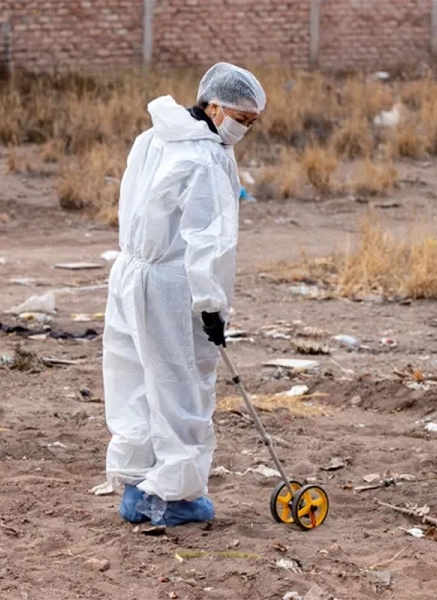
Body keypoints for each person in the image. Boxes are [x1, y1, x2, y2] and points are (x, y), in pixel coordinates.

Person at [102, 63, 265, 527]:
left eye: (251, 123)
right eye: (240, 117)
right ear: (213, 105)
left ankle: (138, 487)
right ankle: (173, 497)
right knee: (182, 385)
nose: (243, 129)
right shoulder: (205, 157)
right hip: (172, 284)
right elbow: (208, 241)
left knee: (133, 375)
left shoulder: (153, 138)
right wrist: (212, 306)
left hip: (131, 272)